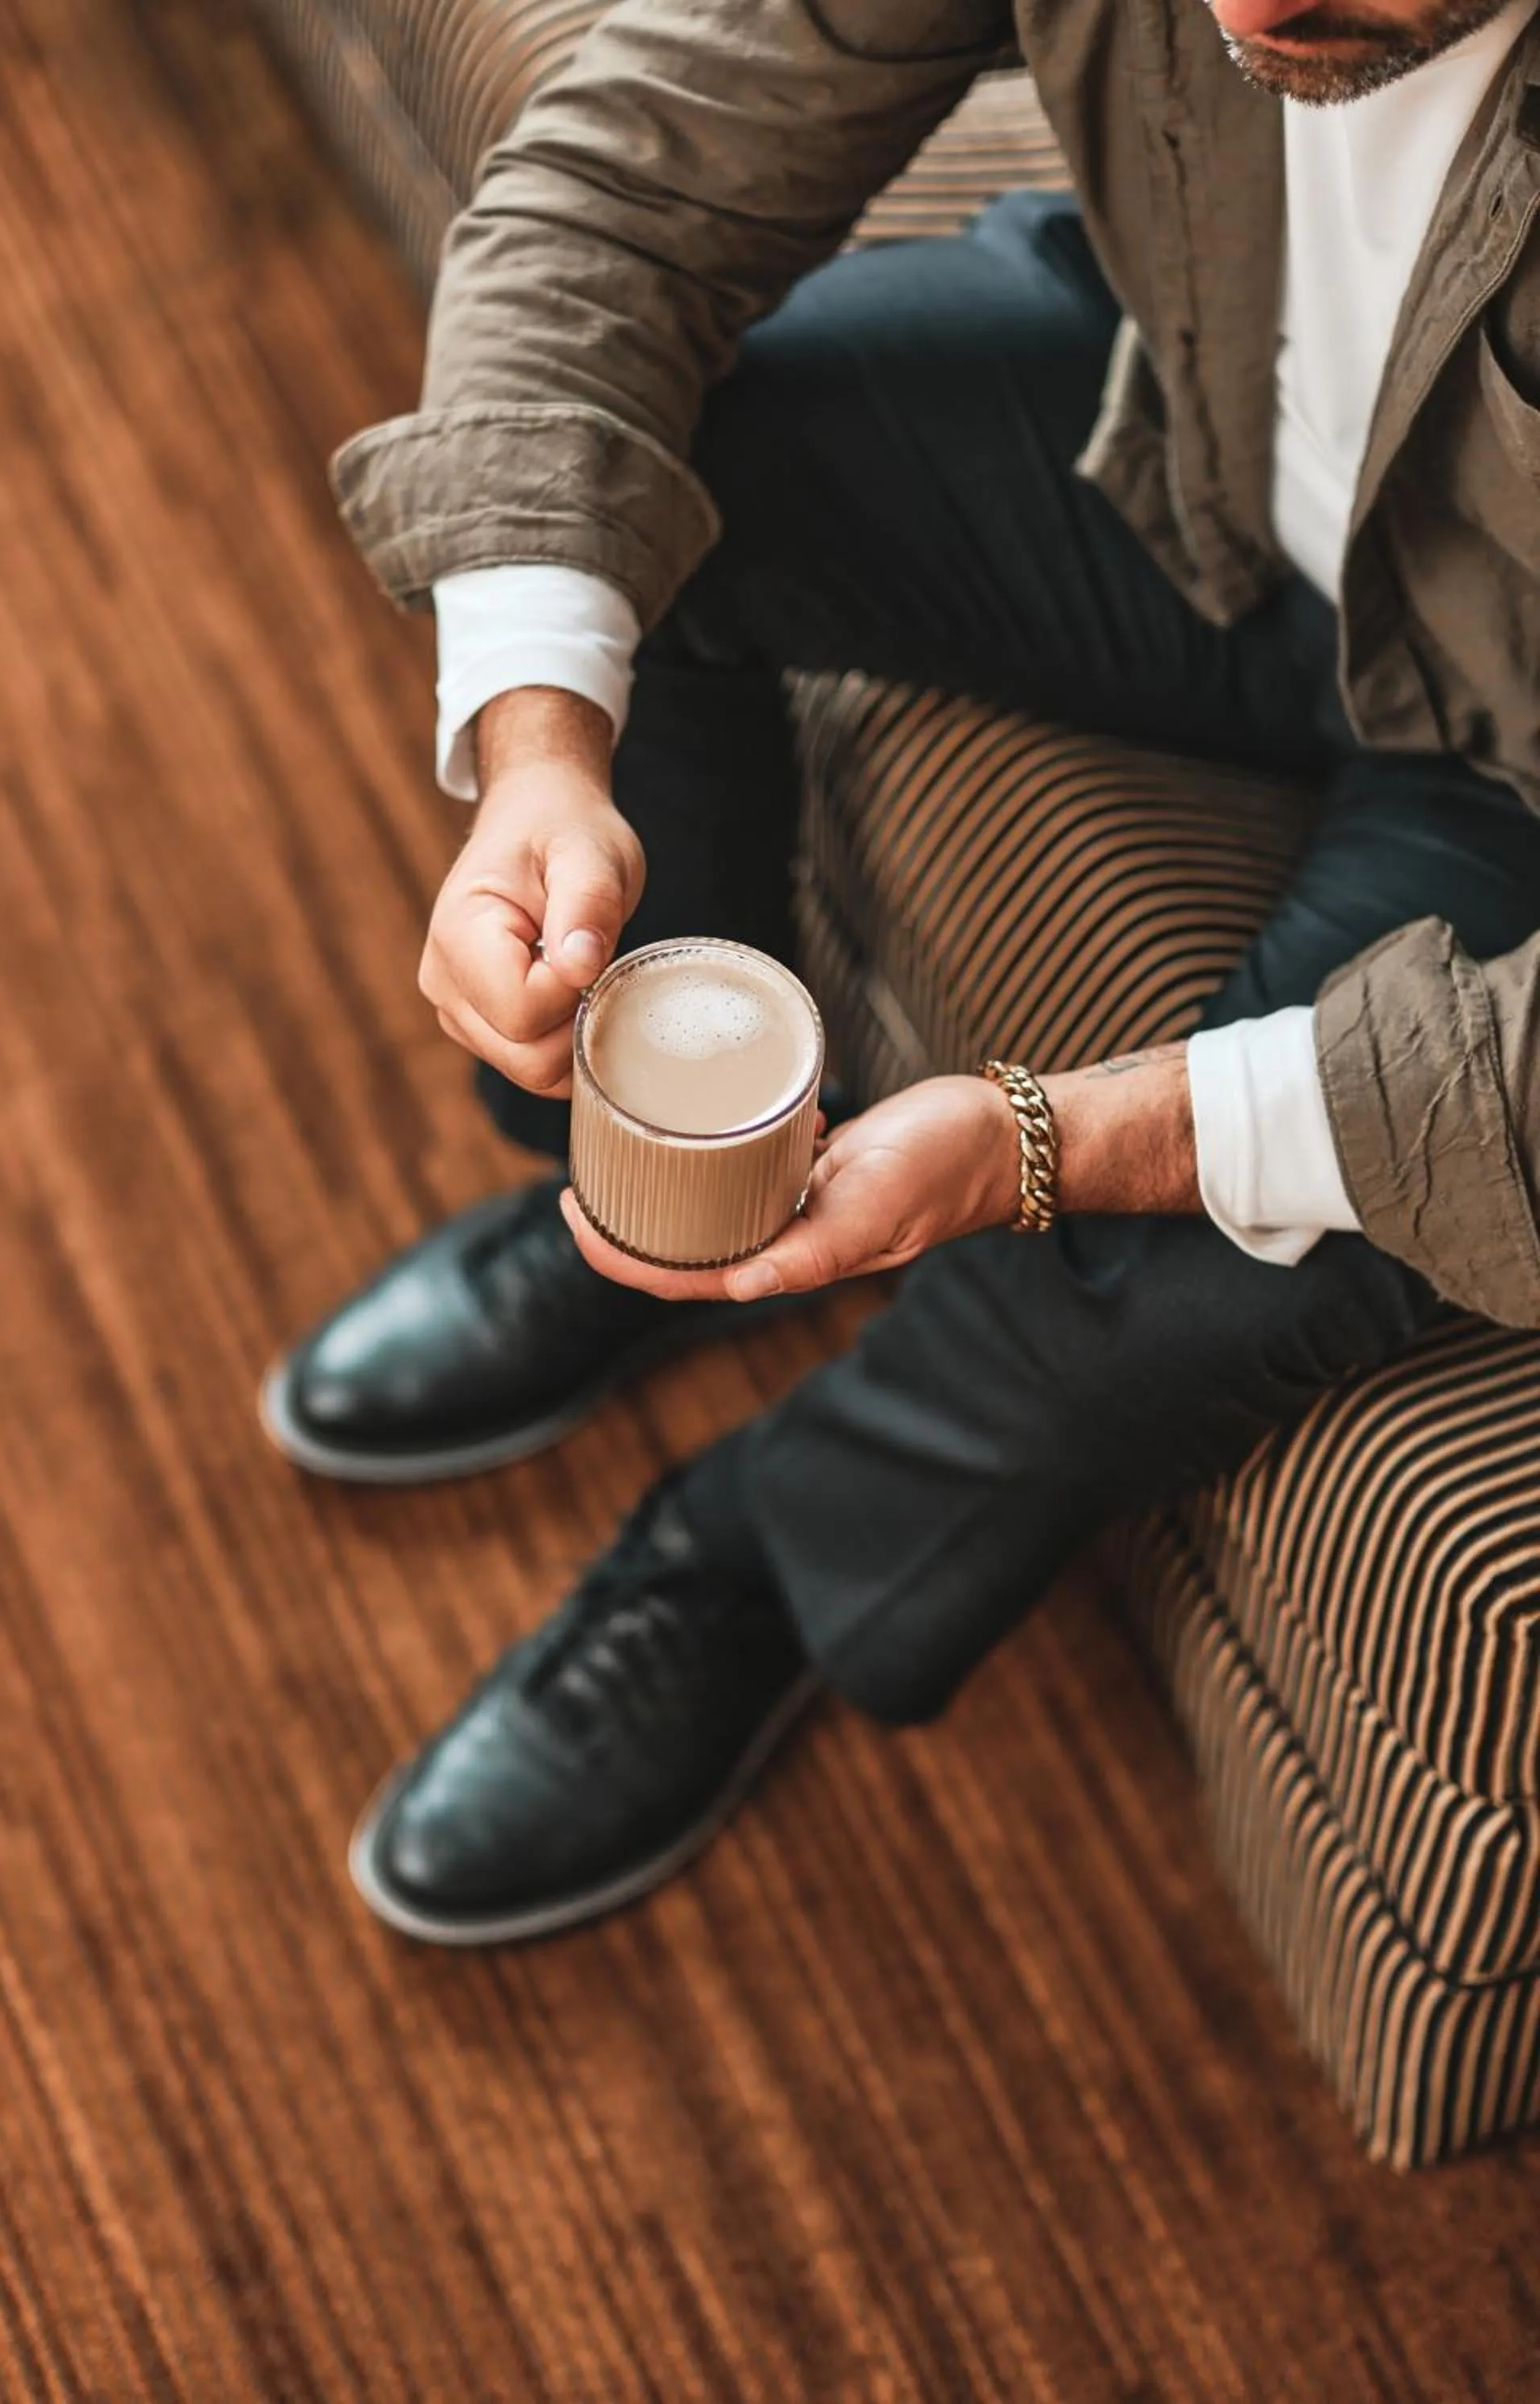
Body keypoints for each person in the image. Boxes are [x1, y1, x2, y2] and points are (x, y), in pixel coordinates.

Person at [261, 0, 1540, 1944]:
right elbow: (628, 179)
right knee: (644, 503)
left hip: (1510, 756)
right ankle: (634, 1195)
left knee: (1262, 1216)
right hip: (1195, 446)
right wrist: (536, 751)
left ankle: (755, 1556)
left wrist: (1053, 1137)